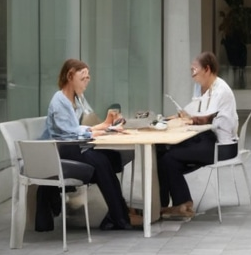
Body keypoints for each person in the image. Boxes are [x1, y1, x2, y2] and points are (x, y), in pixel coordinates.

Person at [36, 58, 139, 232]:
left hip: (72, 145)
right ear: (70, 76)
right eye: (83, 78)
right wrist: (98, 132)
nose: (87, 81)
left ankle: (118, 213)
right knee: (101, 162)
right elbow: (70, 132)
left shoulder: (77, 98)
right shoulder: (59, 101)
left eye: (88, 78)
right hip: (60, 150)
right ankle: (119, 216)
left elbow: (80, 128)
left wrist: (107, 125)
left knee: (111, 158)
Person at [155, 52, 238, 219]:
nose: (192, 74)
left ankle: (182, 203)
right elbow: (192, 111)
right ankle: (164, 204)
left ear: (207, 69)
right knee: (161, 152)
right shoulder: (201, 88)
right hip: (204, 138)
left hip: (219, 144)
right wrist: (175, 117)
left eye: (194, 70)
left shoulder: (220, 90)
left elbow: (205, 119)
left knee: (169, 158)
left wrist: (188, 120)